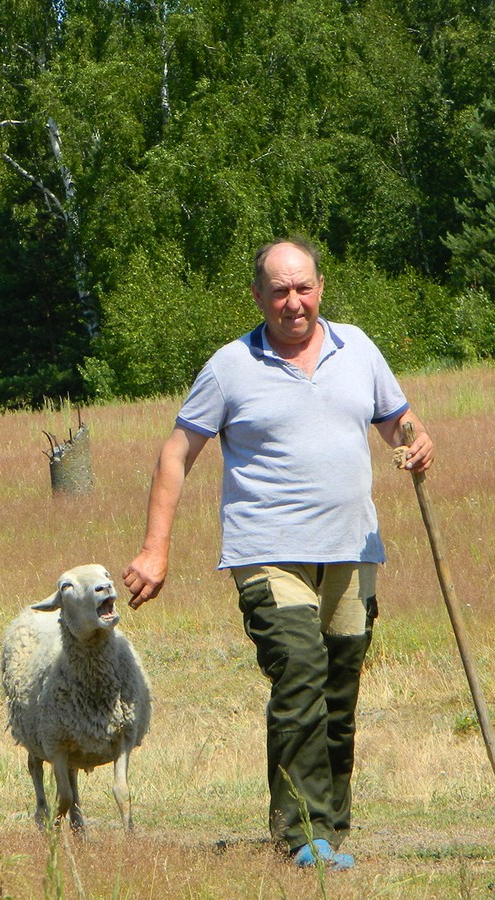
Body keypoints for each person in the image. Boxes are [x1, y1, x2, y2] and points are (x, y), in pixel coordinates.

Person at [122, 238, 434, 870]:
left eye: (305, 288)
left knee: (339, 688)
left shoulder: (358, 348)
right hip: (266, 551)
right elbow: (176, 454)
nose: (295, 302)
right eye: (280, 291)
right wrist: (155, 549)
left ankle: (331, 826)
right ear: (258, 296)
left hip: (352, 550)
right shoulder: (230, 366)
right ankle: (301, 835)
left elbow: (398, 421)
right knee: (299, 671)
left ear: (320, 286)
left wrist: (417, 441)